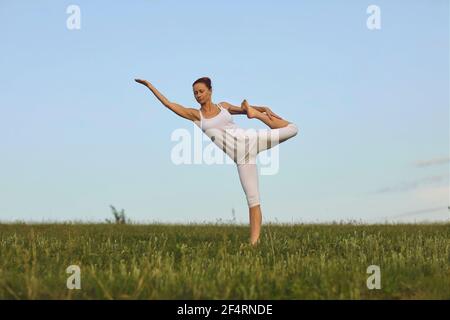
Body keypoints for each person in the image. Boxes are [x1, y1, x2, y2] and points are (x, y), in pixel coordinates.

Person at [135, 77, 299, 245]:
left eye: (201, 91)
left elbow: (244, 110)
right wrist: (149, 86)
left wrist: (260, 109)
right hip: (242, 159)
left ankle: (257, 116)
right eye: (195, 93)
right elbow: (169, 104)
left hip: (249, 141)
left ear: (210, 91)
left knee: (292, 129)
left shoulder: (224, 106)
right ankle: (254, 244)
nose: (198, 95)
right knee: (253, 200)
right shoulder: (196, 115)